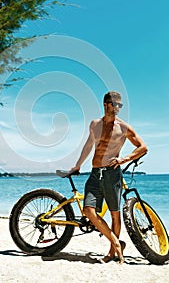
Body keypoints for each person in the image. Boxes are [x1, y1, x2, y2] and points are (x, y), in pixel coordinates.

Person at [70, 91, 148, 264]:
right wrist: (78, 164)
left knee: (114, 214)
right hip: (95, 172)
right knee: (88, 210)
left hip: (112, 174)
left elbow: (143, 147)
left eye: (120, 105)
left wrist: (124, 159)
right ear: (106, 104)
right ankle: (116, 242)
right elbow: (88, 145)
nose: (118, 108)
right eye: (115, 104)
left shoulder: (124, 127)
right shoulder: (94, 124)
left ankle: (112, 252)